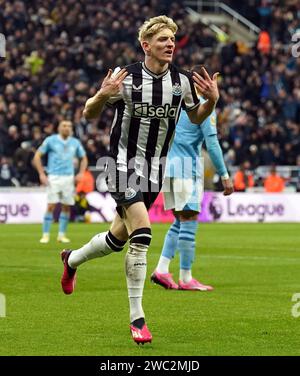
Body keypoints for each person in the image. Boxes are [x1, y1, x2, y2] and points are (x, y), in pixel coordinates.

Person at [59, 15, 220, 345]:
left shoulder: (182, 82)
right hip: (121, 165)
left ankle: (72, 259)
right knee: (143, 233)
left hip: (154, 172)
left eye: (172, 39)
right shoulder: (127, 77)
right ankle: (138, 319)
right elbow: (89, 113)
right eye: (163, 40)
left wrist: (212, 101)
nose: (170, 44)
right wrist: (103, 95)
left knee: (117, 239)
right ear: (146, 45)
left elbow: (194, 116)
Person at [151, 71, 234, 291]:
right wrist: (224, 175)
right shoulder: (203, 107)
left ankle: (161, 269)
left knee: (179, 221)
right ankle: (186, 278)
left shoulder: (174, 103)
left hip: (168, 167)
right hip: (186, 169)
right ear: (203, 82)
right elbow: (213, 144)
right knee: (189, 222)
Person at [33, 120, 88, 243]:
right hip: (54, 177)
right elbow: (37, 156)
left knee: (66, 206)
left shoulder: (75, 142)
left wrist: (81, 173)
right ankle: (45, 235)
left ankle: (61, 235)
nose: (67, 128)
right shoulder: (50, 140)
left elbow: (84, 158)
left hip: (69, 178)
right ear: (59, 128)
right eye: (64, 126)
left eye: (69, 126)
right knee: (51, 205)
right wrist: (41, 174)